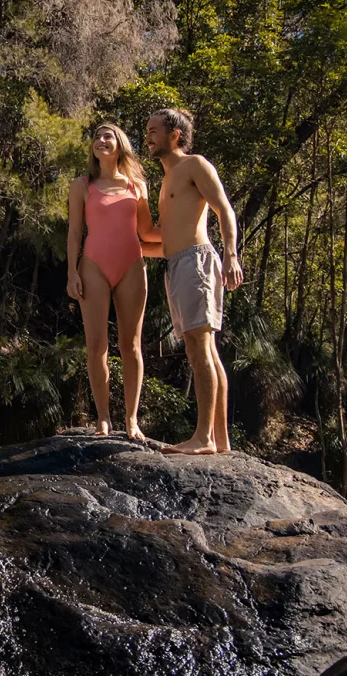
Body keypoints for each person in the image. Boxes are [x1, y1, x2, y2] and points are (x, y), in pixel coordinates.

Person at [141, 108, 244, 455]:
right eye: (147, 131)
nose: (148, 137)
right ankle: (219, 440)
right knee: (204, 351)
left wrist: (231, 255)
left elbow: (224, 209)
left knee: (200, 349)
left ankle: (203, 438)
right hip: (176, 264)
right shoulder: (168, 180)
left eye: (154, 131)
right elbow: (163, 237)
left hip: (196, 261)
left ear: (175, 135)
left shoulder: (195, 165)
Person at [66, 123, 155, 440]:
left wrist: (187, 234)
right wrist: (71, 272)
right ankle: (103, 419)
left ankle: (132, 420)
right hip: (92, 267)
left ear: (120, 145)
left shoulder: (137, 186)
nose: (101, 140)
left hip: (132, 267)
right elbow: (75, 232)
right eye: (97, 137)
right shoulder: (82, 185)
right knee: (96, 347)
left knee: (131, 346)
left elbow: (147, 234)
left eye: (108, 136)